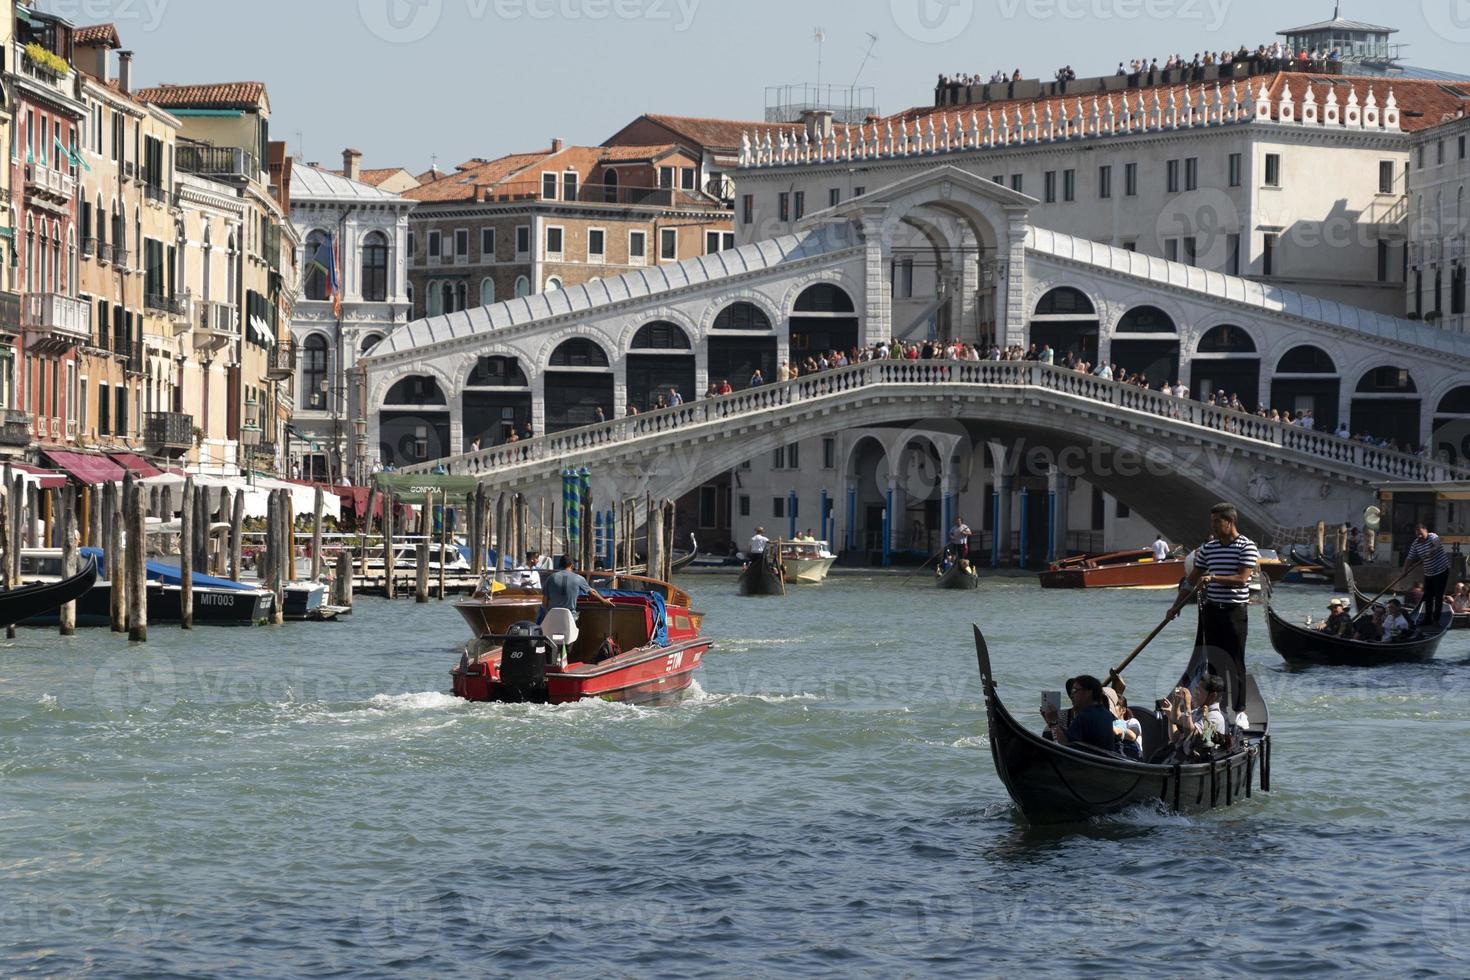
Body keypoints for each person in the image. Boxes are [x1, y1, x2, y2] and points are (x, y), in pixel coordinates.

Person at [1167, 503, 1258, 716]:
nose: (1213, 526)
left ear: (1230, 521)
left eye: (1217, 521)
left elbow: (1242, 578)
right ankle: (1218, 708)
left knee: (1235, 661)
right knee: (1215, 662)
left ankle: (1240, 710)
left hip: (1234, 611)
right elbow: (1191, 581)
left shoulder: (1247, 546)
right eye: (1212, 522)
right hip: (1211, 611)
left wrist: (1213, 578)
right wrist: (1175, 607)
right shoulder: (1209, 548)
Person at [1039, 674, 1116, 752]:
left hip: (1088, 760)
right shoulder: (1106, 714)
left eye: (1075, 690)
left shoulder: (1085, 716)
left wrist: (1053, 722)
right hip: (1104, 759)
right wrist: (1050, 721)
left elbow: (1064, 744)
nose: (1071, 695)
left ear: (1088, 693)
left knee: (1048, 736)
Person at [1403, 523, 1451, 626]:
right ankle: (1427, 619)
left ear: (1426, 530)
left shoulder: (1432, 536)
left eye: (1421, 534)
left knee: (1438, 596)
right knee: (1428, 596)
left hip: (1442, 571)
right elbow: (1409, 558)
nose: (1419, 536)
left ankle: (1436, 620)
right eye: (1417, 535)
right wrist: (1404, 571)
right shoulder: (1416, 543)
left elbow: (1437, 544)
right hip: (1429, 573)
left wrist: (1432, 550)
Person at [542, 555, 614, 621]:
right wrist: (604, 601)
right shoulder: (578, 578)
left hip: (552, 617)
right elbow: (592, 592)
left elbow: (544, 602)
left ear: (560, 565)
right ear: (572, 565)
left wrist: (546, 613)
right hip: (569, 617)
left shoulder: (551, 578)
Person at [1103, 687, 1143, 760]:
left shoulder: (1132, 722)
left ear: (1123, 710)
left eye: (1114, 705)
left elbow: (1133, 736)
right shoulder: (1108, 721)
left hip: (1132, 757)